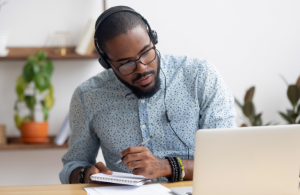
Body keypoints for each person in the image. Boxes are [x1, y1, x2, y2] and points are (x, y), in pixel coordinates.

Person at [59, 6, 236, 184]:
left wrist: (166, 166)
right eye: (126, 63)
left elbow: (228, 159)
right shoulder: (87, 96)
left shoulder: (201, 76)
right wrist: (86, 174)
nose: (142, 68)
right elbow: (72, 166)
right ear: (106, 63)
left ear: (153, 38)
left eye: (145, 53)